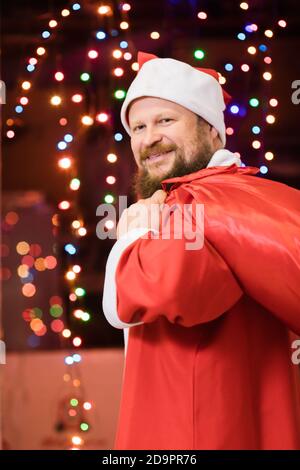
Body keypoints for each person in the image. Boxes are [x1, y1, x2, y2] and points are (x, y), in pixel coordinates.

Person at [102, 51, 300, 450]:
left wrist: (131, 237)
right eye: (137, 127)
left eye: (166, 121)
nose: (148, 138)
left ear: (212, 131)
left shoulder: (198, 203)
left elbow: (162, 290)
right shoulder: (242, 196)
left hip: (196, 431)